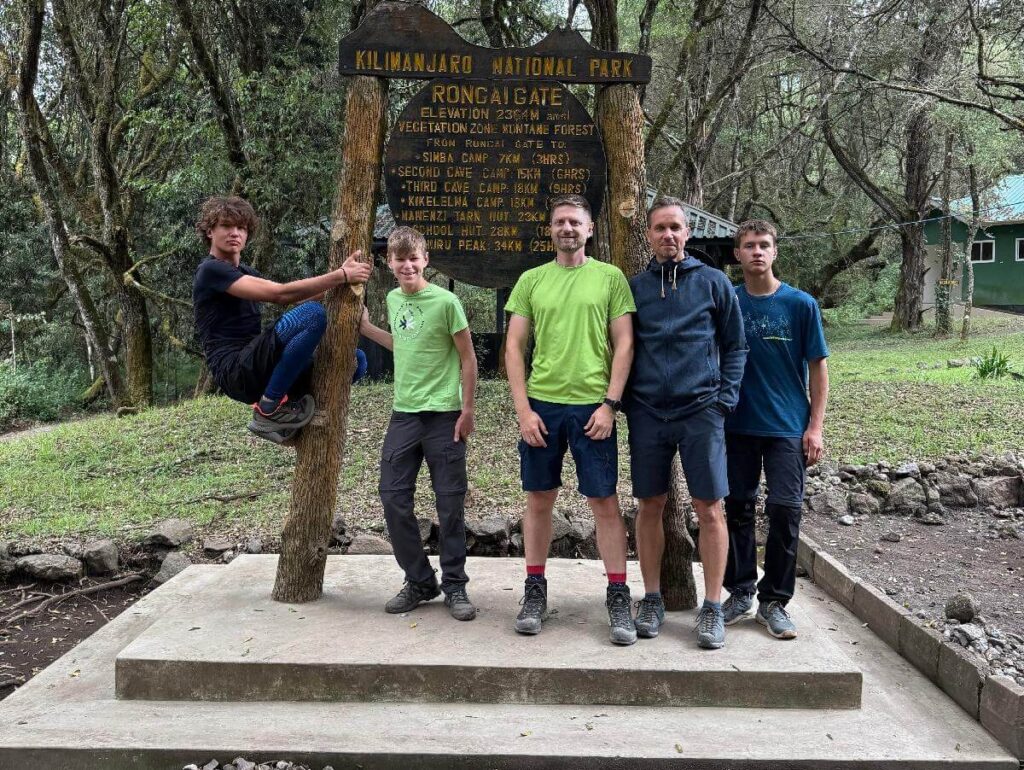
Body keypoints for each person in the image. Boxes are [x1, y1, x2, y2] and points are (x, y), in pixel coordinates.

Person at [504, 194, 636, 645]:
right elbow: (514, 348)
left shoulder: (610, 278)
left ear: (590, 228)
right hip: (542, 407)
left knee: (605, 502)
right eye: (559, 221)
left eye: (575, 222)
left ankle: (618, 594)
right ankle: (535, 589)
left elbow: (624, 344)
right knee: (539, 499)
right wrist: (523, 410)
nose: (567, 228)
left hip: (592, 408)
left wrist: (610, 404)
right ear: (550, 229)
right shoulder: (531, 280)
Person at [626, 197, 747, 649]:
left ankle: (713, 607)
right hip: (648, 413)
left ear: (688, 232)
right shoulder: (635, 288)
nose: (668, 235)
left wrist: (723, 402)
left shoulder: (715, 283)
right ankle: (652, 598)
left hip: (702, 412)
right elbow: (621, 346)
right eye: (659, 228)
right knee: (650, 506)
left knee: (709, 508)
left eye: (675, 227)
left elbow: (736, 347)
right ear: (649, 234)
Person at [359, 226, 479, 621]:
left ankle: (455, 586)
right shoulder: (393, 299)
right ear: (389, 263)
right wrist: (366, 329)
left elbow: (467, 358)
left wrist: (467, 409)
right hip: (404, 413)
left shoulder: (447, 302)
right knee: (392, 497)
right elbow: (403, 342)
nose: (407, 265)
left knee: (450, 505)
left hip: (445, 414)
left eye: (414, 258)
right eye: (400, 259)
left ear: (425, 260)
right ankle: (419, 580)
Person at [722, 219, 829, 640]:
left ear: (775, 251)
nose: (757, 252)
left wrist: (815, 427)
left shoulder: (801, 305)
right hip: (736, 425)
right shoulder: (728, 302)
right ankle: (740, 590)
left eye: (764, 245)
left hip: (787, 426)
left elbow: (819, 370)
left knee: (786, 509)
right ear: (738, 254)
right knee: (736, 508)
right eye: (749, 246)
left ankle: (774, 601)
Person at [192, 196, 371, 443]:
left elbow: (296, 298)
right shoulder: (210, 271)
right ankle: (268, 410)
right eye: (226, 226)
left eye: (241, 228)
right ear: (210, 231)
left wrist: (346, 282)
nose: (235, 233)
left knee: (355, 361)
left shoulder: (245, 273)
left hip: (259, 367)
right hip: (236, 370)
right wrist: (340, 275)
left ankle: (291, 407)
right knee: (312, 315)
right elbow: (280, 294)